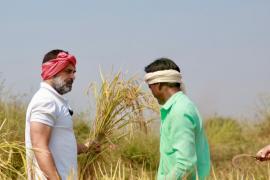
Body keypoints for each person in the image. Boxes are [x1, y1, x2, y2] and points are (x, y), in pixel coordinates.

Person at [25, 49, 88, 180]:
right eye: (68, 71)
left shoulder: (55, 101)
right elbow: (39, 146)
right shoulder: (45, 101)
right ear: (52, 70)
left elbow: (62, 145)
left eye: (74, 72)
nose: (73, 76)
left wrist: (87, 147)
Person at [144, 58, 211, 180]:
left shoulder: (179, 111)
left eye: (150, 87)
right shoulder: (178, 107)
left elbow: (185, 164)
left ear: (158, 84)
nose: (151, 92)